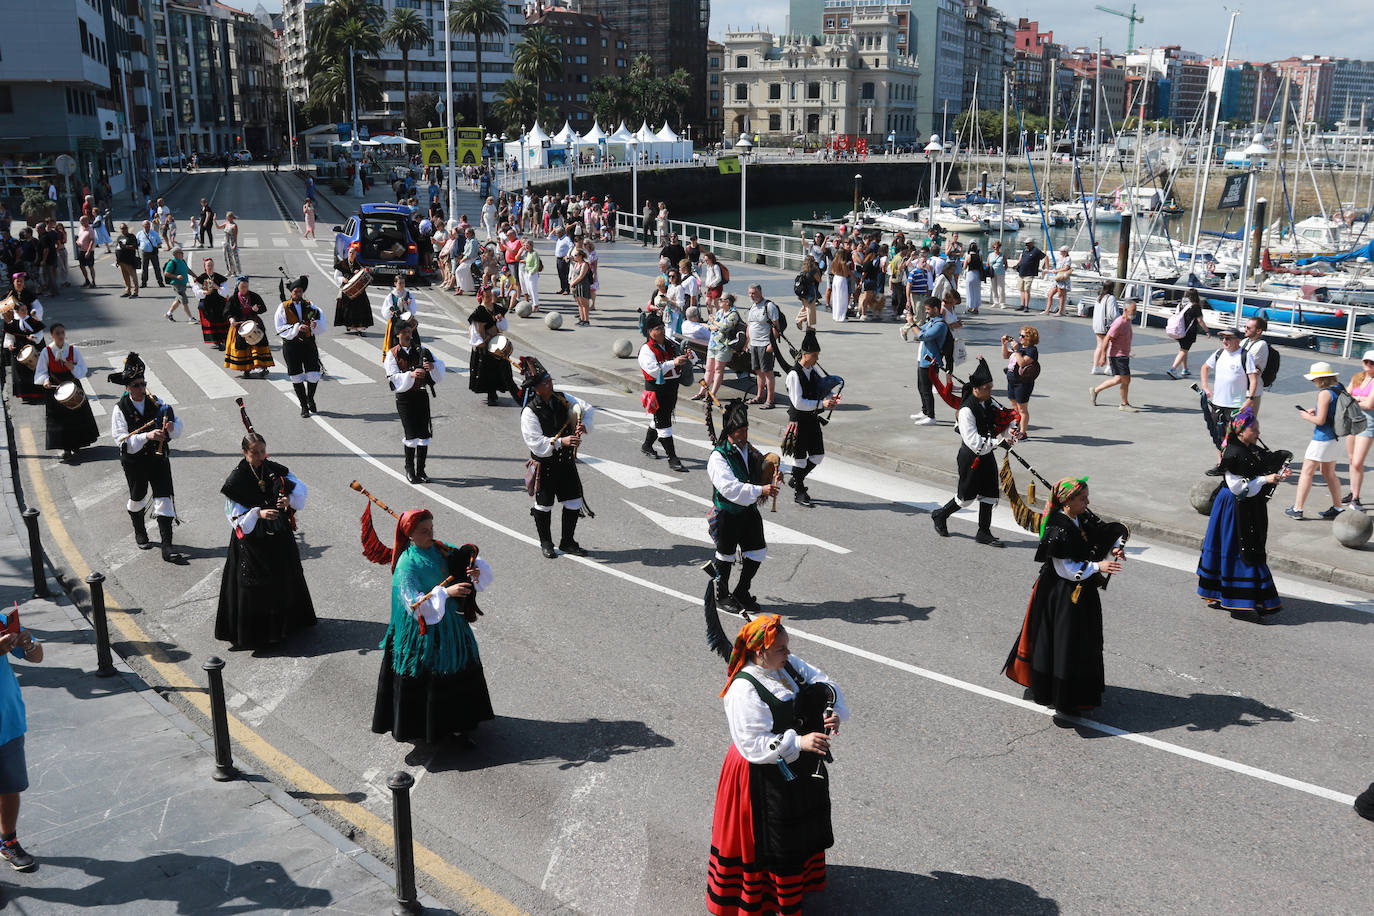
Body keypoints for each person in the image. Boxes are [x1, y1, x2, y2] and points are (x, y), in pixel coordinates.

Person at [706, 614, 847, 916]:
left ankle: (797, 884)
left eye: (787, 647)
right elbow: (753, 744)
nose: (789, 653)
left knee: (797, 830)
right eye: (781, 649)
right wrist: (799, 743)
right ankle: (765, 900)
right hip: (760, 775)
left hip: (797, 766)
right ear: (760, 652)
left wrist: (829, 711)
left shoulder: (786, 665)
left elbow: (823, 682)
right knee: (772, 838)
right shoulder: (743, 690)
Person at [1003, 477, 1127, 717]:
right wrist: (1098, 566)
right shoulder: (1058, 528)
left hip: (1079, 592)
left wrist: (1114, 548)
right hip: (1060, 595)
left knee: (1078, 644)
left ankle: (1070, 691)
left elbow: (1100, 532)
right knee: (1065, 644)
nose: (1088, 502)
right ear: (1067, 501)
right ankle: (1063, 699)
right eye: (1083, 499)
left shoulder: (1079, 516)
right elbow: (1066, 569)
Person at [370, 509, 495, 746]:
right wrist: (447, 592)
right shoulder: (407, 564)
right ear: (410, 535)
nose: (430, 535)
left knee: (457, 670)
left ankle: (459, 726)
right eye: (423, 531)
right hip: (423, 632)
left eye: (431, 529)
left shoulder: (441, 548)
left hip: (451, 626)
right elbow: (413, 604)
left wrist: (473, 572)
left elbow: (464, 564)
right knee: (433, 677)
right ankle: (429, 727)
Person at [215, 432, 316, 648]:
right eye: (255, 453)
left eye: (263, 451)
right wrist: (258, 514)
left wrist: (289, 499)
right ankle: (259, 634)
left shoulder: (272, 469)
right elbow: (234, 517)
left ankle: (286, 625)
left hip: (279, 534)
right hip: (253, 541)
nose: (261, 456)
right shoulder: (237, 479)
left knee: (284, 577)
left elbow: (299, 487)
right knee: (257, 584)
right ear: (245, 452)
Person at [1197, 408, 1288, 618]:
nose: (1258, 431)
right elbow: (1238, 487)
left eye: (1257, 428)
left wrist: (1279, 471)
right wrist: (1266, 479)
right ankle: (1246, 598)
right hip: (1232, 507)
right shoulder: (1233, 453)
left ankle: (1234, 594)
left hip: (1247, 506)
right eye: (1253, 428)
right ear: (1240, 431)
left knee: (1246, 547)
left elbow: (1262, 466)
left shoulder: (1249, 448)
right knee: (1242, 549)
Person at [109, 353, 186, 563]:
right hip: (135, 462)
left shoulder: (157, 402)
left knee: (164, 498)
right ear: (127, 387)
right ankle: (139, 529)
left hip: (158, 459)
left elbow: (177, 425)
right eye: (136, 385)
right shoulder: (120, 409)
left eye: (143, 384)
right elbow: (122, 441)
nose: (141, 389)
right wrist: (147, 435)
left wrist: (171, 428)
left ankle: (167, 546)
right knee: (138, 498)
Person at [930, 357, 1014, 547]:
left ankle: (984, 532)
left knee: (990, 493)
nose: (991, 391)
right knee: (965, 497)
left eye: (991, 387)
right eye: (987, 388)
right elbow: (974, 442)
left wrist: (1011, 429)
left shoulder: (988, 402)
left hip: (987, 454)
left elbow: (1004, 417)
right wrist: (998, 441)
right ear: (976, 389)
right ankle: (940, 515)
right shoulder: (967, 410)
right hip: (971, 457)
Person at [706, 400, 780, 612]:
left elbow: (761, 467)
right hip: (727, 514)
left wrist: (774, 473)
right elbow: (730, 488)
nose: (745, 434)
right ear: (730, 431)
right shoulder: (718, 457)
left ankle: (742, 591)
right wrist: (760, 490)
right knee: (725, 556)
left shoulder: (748, 450)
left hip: (748, 512)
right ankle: (721, 595)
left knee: (757, 551)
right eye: (741, 430)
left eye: (746, 429)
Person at [519, 358, 594, 558]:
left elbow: (586, 408)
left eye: (550, 380)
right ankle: (546, 543)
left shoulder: (563, 398)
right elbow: (535, 443)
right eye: (545, 383)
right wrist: (562, 442)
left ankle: (567, 542)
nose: (550, 385)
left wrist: (582, 423)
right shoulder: (529, 412)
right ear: (536, 389)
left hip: (566, 463)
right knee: (544, 505)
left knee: (574, 501)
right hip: (545, 465)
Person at [0, 603, 44, 874]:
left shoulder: (1, 621)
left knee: (9, 787)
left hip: (8, 720)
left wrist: (27, 645)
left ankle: (8, 841)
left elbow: (37, 657)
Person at [783, 328, 840, 507]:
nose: (817, 359)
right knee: (799, 459)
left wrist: (830, 398)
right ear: (805, 355)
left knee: (817, 455)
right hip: (798, 421)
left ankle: (796, 479)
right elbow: (798, 403)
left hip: (812, 419)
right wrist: (821, 405)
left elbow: (821, 388)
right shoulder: (794, 375)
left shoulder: (812, 370)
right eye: (815, 355)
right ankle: (799, 491)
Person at [385, 320, 445, 483]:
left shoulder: (422, 350)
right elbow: (392, 378)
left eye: (409, 331)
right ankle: (409, 470)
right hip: (404, 399)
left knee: (424, 434)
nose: (407, 334)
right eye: (404, 332)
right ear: (397, 335)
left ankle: (421, 470)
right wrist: (410, 375)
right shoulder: (392, 354)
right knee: (411, 434)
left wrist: (432, 367)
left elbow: (439, 367)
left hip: (421, 395)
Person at [1286, 362, 1346, 520]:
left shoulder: (1324, 393)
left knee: (1306, 472)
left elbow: (1320, 420)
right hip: (1337, 437)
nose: (1313, 382)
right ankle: (1338, 507)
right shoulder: (1339, 387)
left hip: (1322, 438)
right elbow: (1332, 411)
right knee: (1329, 472)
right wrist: (1317, 410)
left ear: (1320, 379)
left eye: (1314, 380)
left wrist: (1307, 416)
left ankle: (1297, 509)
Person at [33, 323, 99, 462]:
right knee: (59, 419)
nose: (61, 336)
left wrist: (72, 367)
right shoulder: (47, 351)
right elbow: (41, 371)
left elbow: (82, 369)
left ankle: (77, 444)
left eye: (62, 333)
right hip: (56, 388)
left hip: (72, 385)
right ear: (52, 335)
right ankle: (66, 448)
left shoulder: (73, 350)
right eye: (57, 333)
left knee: (77, 415)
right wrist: (45, 380)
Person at [638, 312, 691, 472]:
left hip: (671, 388)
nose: (661, 331)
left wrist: (688, 355)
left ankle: (647, 445)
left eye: (662, 328)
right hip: (656, 391)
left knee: (661, 418)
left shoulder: (669, 343)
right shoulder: (646, 350)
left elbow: (689, 358)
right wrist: (673, 363)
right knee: (664, 423)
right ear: (650, 331)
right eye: (657, 329)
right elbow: (653, 370)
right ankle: (672, 458)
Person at [275, 278, 325, 417]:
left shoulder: (310, 304)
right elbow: (280, 327)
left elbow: (319, 318)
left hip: (308, 344)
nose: (298, 293)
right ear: (291, 292)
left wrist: (315, 324)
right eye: (295, 291)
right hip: (292, 346)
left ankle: (310, 398)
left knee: (313, 374)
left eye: (300, 291)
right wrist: (297, 327)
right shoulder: (283, 307)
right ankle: (304, 406)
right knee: (296, 376)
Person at [1200, 327, 1259, 434]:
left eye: (1228, 338)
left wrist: (1250, 399)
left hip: (1236, 407)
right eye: (1222, 338)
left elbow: (1253, 379)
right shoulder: (1219, 353)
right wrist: (1205, 387)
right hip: (1217, 404)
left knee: (1234, 439)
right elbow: (1205, 367)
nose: (1224, 341)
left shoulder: (1245, 355)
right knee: (1218, 438)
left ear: (1237, 340)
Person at [467, 288, 516, 407]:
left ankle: (512, 390)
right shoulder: (478, 312)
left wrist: (500, 320)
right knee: (488, 372)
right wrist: (480, 343)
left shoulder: (497, 309)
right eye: (487, 296)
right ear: (482, 297)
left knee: (502, 369)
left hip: (497, 344)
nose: (489, 298)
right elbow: (474, 330)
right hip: (485, 346)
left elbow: (503, 327)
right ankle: (491, 394)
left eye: (490, 296)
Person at [1090, 299, 1139, 411]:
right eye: (1133, 310)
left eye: (1135, 310)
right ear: (1125, 310)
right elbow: (1107, 339)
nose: (1135, 312)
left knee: (1118, 379)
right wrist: (1103, 356)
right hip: (1118, 356)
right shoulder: (1119, 323)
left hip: (1123, 355)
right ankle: (1124, 404)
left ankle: (1095, 390)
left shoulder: (1127, 321)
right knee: (1126, 380)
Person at [223, 277, 274, 378]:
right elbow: (227, 312)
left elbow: (263, 308)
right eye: (242, 286)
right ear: (238, 286)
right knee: (243, 346)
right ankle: (246, 369)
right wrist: (231, 319)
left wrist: (257, 309)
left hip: (254, 323)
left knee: (258, 343)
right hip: (240, 325)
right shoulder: (234, 298)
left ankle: (262, 367)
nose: (244, 288)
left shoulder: (254, 296)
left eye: (246, 286)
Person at [912, 297, 949, 426]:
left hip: (931, 362)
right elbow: (920, 329)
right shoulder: (932, 322)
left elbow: (922, 336)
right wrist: (910, 326)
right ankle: (925, 411)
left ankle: (931, 416)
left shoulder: (940, 325)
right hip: (923, 360)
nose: (926, 312)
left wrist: (912, 324)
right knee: (920, 387)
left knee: (927, 389)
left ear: (936, 309)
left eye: (928, 309)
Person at [3, 300, 46, 405]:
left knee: (34, 371)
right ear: (16, 311)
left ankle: (38, 394)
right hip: (19, 351)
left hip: (32, 349)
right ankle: (25, 395)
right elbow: (9, 338)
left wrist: (34, 337)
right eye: (22, 310)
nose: (25, 311)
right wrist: (9, 345)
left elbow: (40, 335)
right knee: (21, 374)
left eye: (26, 309)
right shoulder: (12, 324)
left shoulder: (33, 321)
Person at [745, 284, 781, 408]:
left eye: (753, 293)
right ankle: (760, 396)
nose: (751, 295)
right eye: (749, 293)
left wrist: (772, 345)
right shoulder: (753, 307)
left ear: (760, 292)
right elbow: (749, 326)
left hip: (765, 344)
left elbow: (776, 327)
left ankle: (770, 400)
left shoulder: (769, 306)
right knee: (758, 372)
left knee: (768, 372)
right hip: (753, 344)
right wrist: (746, 343)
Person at [1346, 352, 1374, 510]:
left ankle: (1356, 498)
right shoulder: (1358, 377)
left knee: (1357, 462)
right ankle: (1352, 492)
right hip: (1352, 420)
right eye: (1366, 361)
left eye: (1372, 362)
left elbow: (1370, 404)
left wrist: (1355, 400)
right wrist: (1360, 400)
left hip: (1368, 423)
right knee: (1351, 459)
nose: (1369, 364)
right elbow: (1346, 396)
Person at [1002, 325, 1040, 434]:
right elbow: (1005, 356)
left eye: (1022, 336)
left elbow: (1022, 363)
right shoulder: (1020, 348)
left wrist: (1017, 350)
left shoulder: (1032, 350)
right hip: (1011, 381)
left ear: (1029, 337)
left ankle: (1023, 433)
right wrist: (1004, 344)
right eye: (1019, 335)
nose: (1020, 337)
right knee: (1014, 406)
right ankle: (1017, 426)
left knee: (1022, 408)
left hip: (1023, 383)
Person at [1166, 289, 1209, 378]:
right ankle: (1173, 369)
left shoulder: (1181, 304)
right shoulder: (1195, 306)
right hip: (1189, 332)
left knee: (1184, 349)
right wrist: (1207, 331)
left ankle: (1185, 369)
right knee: (1183, 350)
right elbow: (1200, 320)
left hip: (1179, 330)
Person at [333, 242, 373, 335]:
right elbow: (336, 276)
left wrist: (359, 273)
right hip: (347, 290)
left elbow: (364, 274)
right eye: (350, 252)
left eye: (353, 253)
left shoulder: (359, 264)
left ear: (355, 254)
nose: (351, 254)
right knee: (348, 309)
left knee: (361, 308)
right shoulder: (342, 264)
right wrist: (343, 279)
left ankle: (359, 328)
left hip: (358, 291)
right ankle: (349, 325)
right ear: (348, 253)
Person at [195, 260, 231, 349]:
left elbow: (225, 292)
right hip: (207, 303)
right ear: (205, 267)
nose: (210, 267)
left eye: (211, 265)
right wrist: (204, 292)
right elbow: (196, 291)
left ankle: (225, 340)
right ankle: (216, 341)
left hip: (220, 303)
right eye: (208, 265)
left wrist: (217, 287)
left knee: (222, 321)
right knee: (211, 322)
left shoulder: (220, 278)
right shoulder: (201, 278)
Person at [1240, 316, 1271, 413]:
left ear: (1258, 331)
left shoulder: (1261, 345)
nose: (1245, 329)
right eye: (1245, 326)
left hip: (1251, 393)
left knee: (1247, 424)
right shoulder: (1244, 341)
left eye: (1249, 328)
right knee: (1234, 424)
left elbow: (1244, 364)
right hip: (1240, 389)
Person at [1090, 282, 1120, 375]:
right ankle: (1109, 367)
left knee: (1099, 346)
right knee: (1111, 346)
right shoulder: (1111, 298)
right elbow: (1113, 314)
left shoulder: (1099, 298)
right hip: (1107, 326)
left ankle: (1095, 367)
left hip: (1098, 325)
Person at [162, 247, 193, 323]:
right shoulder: (172, 262)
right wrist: (176, 276)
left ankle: (168, 314)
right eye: (181, 253)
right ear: (175, 254)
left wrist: (197, 277)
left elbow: (188, 270)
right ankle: (190, 318)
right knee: (184, 300)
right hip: (177, 285)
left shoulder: (182, 261)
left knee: (178, 300)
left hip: (183, 284)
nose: (182, 254)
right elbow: (166, 273)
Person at [1013, 239, 1044, 312]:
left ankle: (1026, 306)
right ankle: (1022, 305)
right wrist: (1017, 265)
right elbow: (1021, 259)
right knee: (1021, 289)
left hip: (1030, 273)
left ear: (1032, 243)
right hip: (1021, 272)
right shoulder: (1024, 250)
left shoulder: (1036, 251)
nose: (1026, 245)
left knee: (1027, 290)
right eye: (1026, 244)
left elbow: (1045, 257)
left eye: (1028, 244)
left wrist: (1045, 268)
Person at [794, 255, 822, 331]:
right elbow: (819, 280)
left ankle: (800, 321)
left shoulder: (802, 269)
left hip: (802, 292)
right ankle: (808, 326)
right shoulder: (813, 270)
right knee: (810, 309)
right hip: (810, 292)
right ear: (812, 262)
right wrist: (817, 269)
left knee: (805, 307)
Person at [1042, 247, 1072, 316]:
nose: (1060, 252)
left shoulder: (1068, 259)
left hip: (1062, 278)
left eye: (1061, 251)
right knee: (1050, 294)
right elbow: (1058, 267)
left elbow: (1066, 268)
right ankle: (1047, 310)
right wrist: (1053, 270)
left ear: (1065, 251)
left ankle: (1060, 312)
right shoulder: (1060, 258)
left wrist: (1057, 271)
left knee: (1061, 295)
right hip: (1057, 278)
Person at [136, 219, 164, 288]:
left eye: (148, 224)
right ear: (143, 226)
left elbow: (159, 242)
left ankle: (160, 282)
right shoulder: (139, 234)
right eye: (145, 225)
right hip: (144, 253)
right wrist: (142, 247)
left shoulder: (154, 233)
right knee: (144, 268)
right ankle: (144, 282)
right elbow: (137, 243)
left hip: (153, 253)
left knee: (156, 267)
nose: (147, 226)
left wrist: (155, 247)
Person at [569, 249, 592, 326]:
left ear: (580, 256)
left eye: (575, 255)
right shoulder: (576, 264)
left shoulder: (584, 264)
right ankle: (582, 319)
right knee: (579, 303)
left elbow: (581, 276)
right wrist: (572, 283)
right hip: (576, 285)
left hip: (583, 285)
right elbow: (573, 274)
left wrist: (573, 283)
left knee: (584, 304)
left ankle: (586, 320)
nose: (574, 257)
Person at [828, 245, 851, 322]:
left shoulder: (834, 261)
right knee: (842, 299)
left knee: (835, 297)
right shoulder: (843, 262)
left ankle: (835, 315)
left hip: (835, 278)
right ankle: (841, 316)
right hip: (841, 279)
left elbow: (832, 270)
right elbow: (845, 274)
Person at [115, 224, 140, 296]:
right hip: (121, 260)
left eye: (124, 228)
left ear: (127, 228)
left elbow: (135, 246)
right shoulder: (119, 237)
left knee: (133, 276)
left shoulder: (131, 236)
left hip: (129, 260)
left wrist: (125, 246)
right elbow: (117, 248)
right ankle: (128, 290)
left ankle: (135, 291)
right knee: (125, 276)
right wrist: (117, 259)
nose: (123, 230)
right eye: (122, 228)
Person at [74, 215, 96, 288]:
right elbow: (79, 237)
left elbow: (92, 241)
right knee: (82, 266)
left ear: (87, 221)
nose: (81, 223)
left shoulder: (90, 230)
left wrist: (88, 251)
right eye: (80, 221)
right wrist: (77, 242)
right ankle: (87, 280)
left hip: (88, 251)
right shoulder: (81, 228)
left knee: (90, 266)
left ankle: (93, 282)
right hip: (81, 250)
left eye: (82, 221)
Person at [963, 242, 984, 315]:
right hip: (977, 274)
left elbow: (964, 267)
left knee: (969, 292)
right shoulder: (979, 256)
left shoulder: (968, 256)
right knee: (977, 292)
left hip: (970, 274)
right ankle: (976, 308)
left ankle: (969, 307)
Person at [987, 239, 1007, 308]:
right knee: (993, 288)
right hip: (992, 273)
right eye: (994, 247)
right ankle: (996, 302)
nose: (996, 248)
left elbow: (1006, 264)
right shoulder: (990, 255)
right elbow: (987, 264)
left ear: (999, 247)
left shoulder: (1002, 255)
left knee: (1001, 288)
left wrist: (1003, 270)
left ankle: (1002, 303)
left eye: (997, 247)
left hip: (1000, 273)